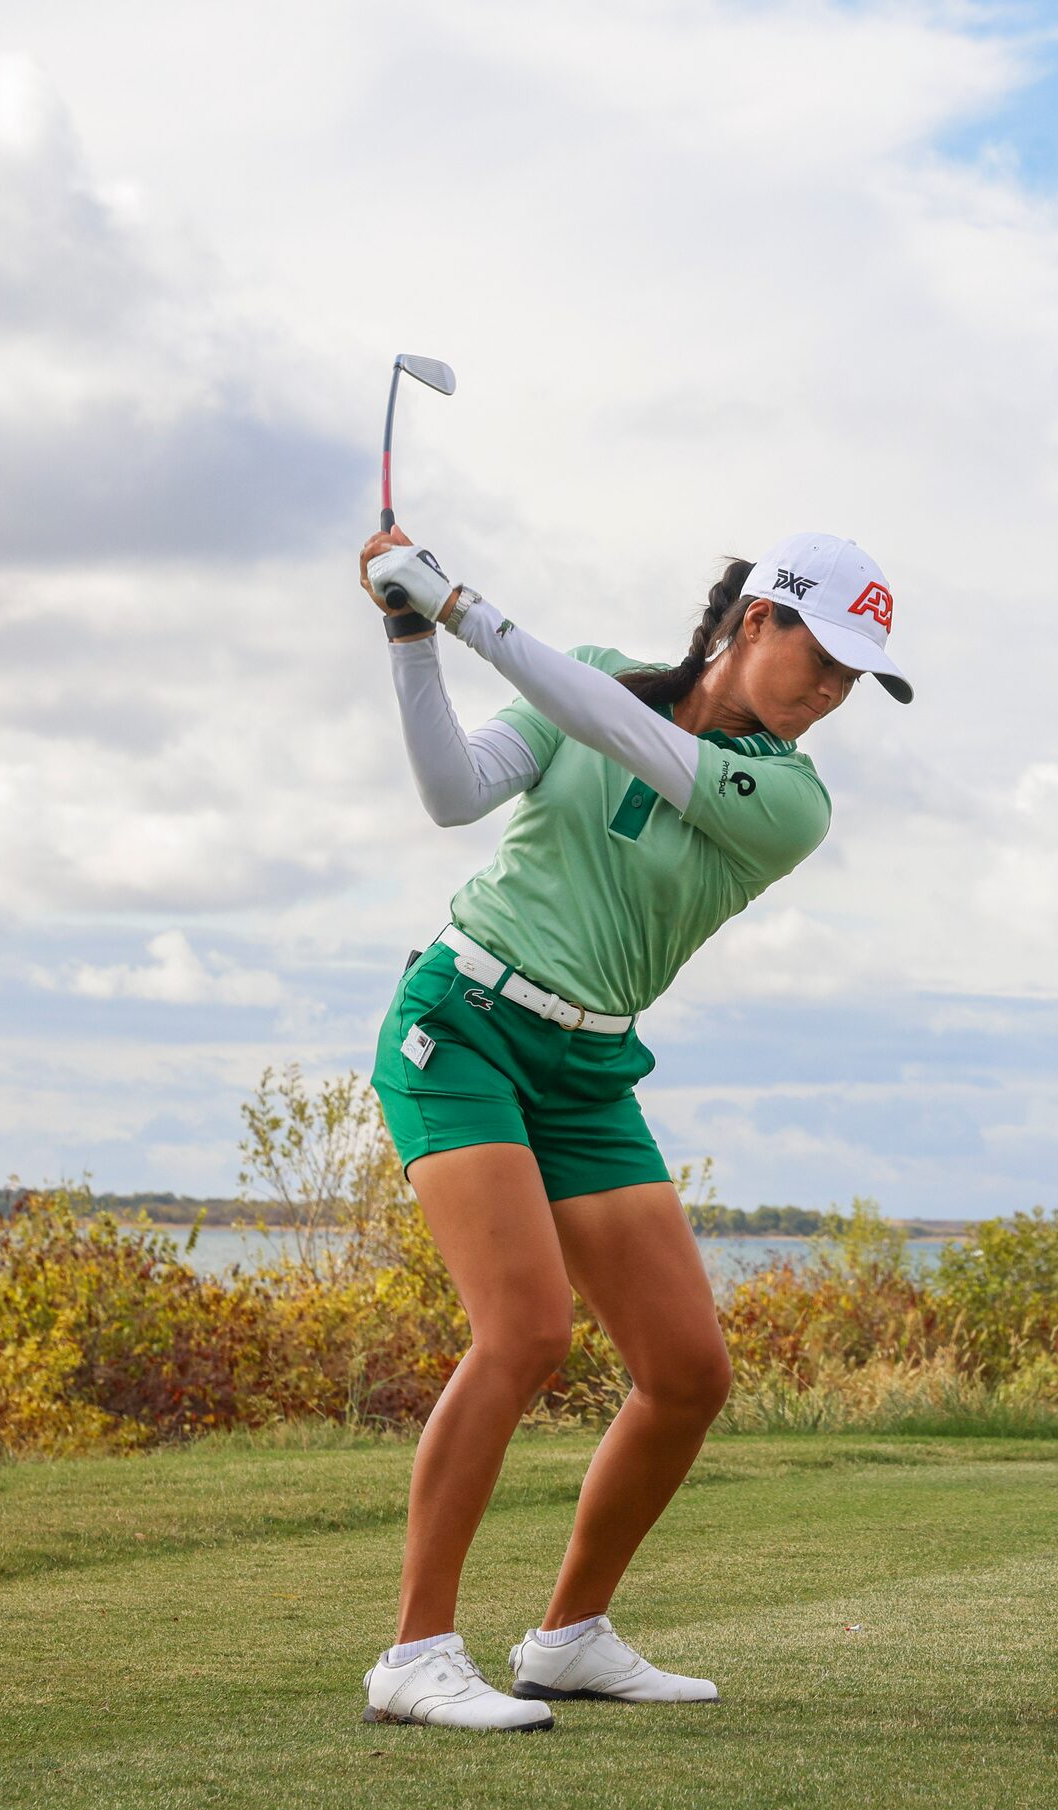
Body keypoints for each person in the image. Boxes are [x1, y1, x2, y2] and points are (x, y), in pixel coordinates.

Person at [350, 528, 910, 1731]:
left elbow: (625, 734)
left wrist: (458, 605)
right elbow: (454, 793)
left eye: (852, 682)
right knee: (523, 1334)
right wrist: (411, 637)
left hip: (590, 1068)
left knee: (687, 1373)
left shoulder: (790, 801)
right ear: (756, 619)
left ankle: (567, 1638)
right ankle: (413, 1655)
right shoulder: (597, 674)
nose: (829, 695)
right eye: (821, 656)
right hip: (465, 1023)